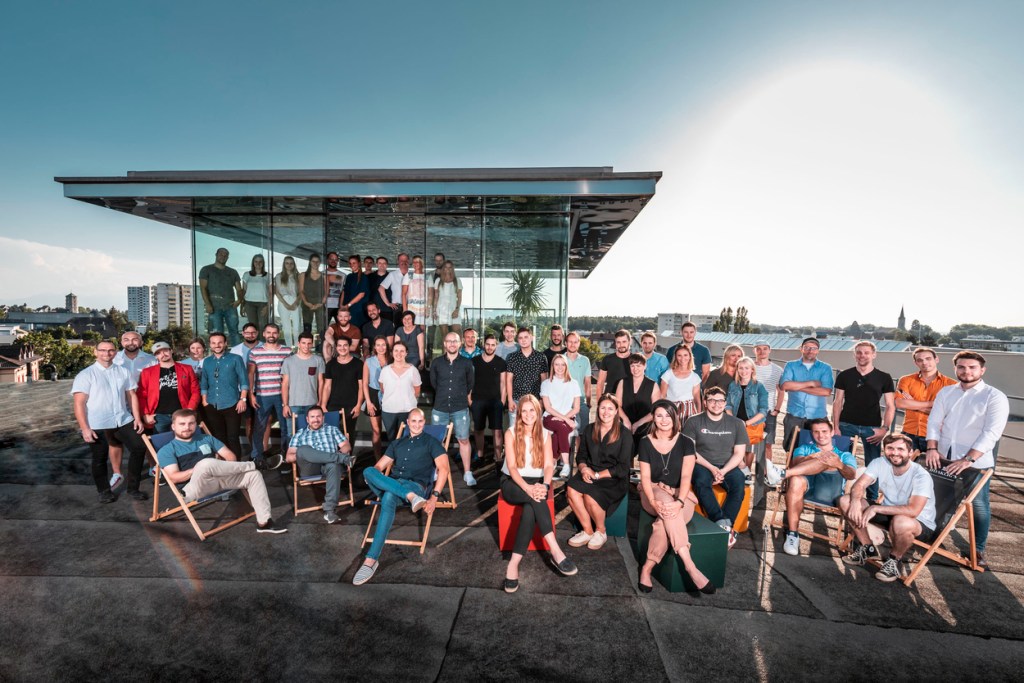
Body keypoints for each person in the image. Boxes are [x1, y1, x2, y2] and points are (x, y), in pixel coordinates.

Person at [925, 350, 1009, 567]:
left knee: (978, 506)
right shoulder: (946, 392)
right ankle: (933, 537)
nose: (967, 371)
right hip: (943, 457)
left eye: (972, 367)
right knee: (940, 500)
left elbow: (991, 432)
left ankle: (977, 550)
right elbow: (934, 422)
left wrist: (968, 459)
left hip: (975, 464)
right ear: (955, 368)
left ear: (982, 370)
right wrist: (932, 449)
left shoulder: (994, 396)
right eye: (961, 367)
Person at [354, 409, 449, 585]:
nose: (417, 424)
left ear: (424, 422)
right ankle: (409, 497)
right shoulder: (396, 444)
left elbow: (444, 469)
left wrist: (434, 497)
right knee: (368, 471)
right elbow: (378, 467)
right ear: (407, 422)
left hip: (415, 485)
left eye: (421, 421)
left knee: (388, 497)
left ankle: (371, 559)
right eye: (414, 421)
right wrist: (379, 477)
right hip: (400, 486)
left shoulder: (432, 442)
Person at [156, 409, 286, 534]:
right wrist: (198, 470)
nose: (187, 427)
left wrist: (219, 467)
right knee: (205, 463)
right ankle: (256, 464)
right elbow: (174, 477)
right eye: (182, 424)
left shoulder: (206, 438)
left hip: (220, 479)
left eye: (191, 423)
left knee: (254, 475)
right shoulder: (167, 450)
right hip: (194, 488)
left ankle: (264, 523)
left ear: (196, 424)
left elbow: (230, 457)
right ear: (173, 426)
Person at [501, 395, 578, 593]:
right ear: (519, 413)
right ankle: (556, 550)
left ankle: (513, 564)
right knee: (534, 499)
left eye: (532, 411)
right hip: (512, 482)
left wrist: (544, 484)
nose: (528, 415)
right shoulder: (510, 433)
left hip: (536, 482)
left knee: (530, 508)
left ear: (537, 413)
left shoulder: (545, 434)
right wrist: (529, 489)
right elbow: (511, 467)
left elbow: (548, 465)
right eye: (524, 411)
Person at [637, 400, 715, 593]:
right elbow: (645, 478)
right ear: (653, 418)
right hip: (652, 491)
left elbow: (687, 476)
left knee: (663, 523)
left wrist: (680, 500)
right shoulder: (645, 442)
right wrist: (655, 502)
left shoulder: (687, 442)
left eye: (667, 415)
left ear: (675, 417)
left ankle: (647, 568)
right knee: (665, 505)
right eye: (659, 415)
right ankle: (691, 566)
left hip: (681, 493)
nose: (664, 420)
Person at [840, 434, 936, 582]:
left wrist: (875, 509)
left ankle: (893, 561)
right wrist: (854, 503)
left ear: (910, 453)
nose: (894, 453)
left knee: (901, 521)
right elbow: (859, 485)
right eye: (890, 448)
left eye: (900, 449)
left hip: (918, 522)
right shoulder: (880, 462)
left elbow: (913, 510)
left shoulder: (921, 476)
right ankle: (867, 547)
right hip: (889, 512)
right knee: (845, 501)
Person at [763, 418, 856, 556]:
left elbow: (851, 475)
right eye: (816, 432)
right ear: (812, 434)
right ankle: (793, 535)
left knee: (829, 458)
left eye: (824, 431)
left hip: (829, 492)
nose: (820, 435)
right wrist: (813, 456)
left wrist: (839, 464)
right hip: (804, 488)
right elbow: (795, 463)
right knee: (795, 480)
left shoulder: (844, 454)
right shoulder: (804, 449)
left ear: (831, 433)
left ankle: (781, 474)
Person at [71, 341, 148, 503]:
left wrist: (137, 418)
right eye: (103, 350)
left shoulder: (123, 371)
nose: (107, 353)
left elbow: (132, 395)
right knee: (99, 458)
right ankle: (104, 491)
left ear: (115, 353)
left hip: (123, 419)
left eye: (111, 350)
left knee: (139, 448)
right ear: (95, 352)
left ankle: (133, 488)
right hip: (97, 423)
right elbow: (79, 403)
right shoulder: (86, 375)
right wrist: (85, 428)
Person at [683, 386, 750, 547]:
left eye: (720, 401)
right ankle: (719, 521)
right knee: (701, 482)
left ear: (725, 403)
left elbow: (739, 453)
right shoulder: (693, 421)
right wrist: (713, 469)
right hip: (702, 463)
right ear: (705, 402)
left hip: (728, 464)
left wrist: (724, 470)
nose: (716, 404)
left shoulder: (737, 423)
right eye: (712, 400)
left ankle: (726, 525)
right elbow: (691, 451)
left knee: (739, 484)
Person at [566, 394, 632, 551]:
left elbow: (623, 468)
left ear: (616, 411)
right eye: (603, 408)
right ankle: (588, 531)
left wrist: (597, 475)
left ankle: (601, 531)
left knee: (591, 494)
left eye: (610, 408)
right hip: (590, 472)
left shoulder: (625, 434)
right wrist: (583, 469)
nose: (606, 412)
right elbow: (581, 456)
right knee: (571, 489)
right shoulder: (589, 429)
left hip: (613, 477)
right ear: (598, 409)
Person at [833, 341, 895, 502]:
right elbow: (837, 402)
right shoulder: (845, 375)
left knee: (873, 464)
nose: (862, 355)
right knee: (841, 460)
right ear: (855, 355)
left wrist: (885, 428)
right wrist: (836, 427)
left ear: (874, 355)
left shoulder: (884, 377)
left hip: (872, 427)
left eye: (866, 352)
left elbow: (890, 405)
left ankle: (872, 498)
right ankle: (837, 494)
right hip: (846, 424)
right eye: (859, 352)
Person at [286, 405, 354, 524]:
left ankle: (329, 511)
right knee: (302, 450)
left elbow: (346, 445)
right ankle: (342, 458)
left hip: (330, 466)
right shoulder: (300, 434)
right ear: (307, 419)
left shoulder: (332, 429)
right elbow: (288, 457)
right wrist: (304, 455)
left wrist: (338, 452)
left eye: (318, 416)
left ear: (323, 418)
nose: (315, 419)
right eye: (312, 417)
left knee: (334, 466)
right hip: (310, 468)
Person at [109, 331, 156, 489]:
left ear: (141, 342)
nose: (131, 342)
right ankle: (117, 473)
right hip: (118, 405)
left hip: (143, 404)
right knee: (115, 440)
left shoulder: (151, 360)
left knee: (147, 438)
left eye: (135, 339)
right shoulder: (113, 359)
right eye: (127, 339)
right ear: (121, 342)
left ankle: (153, 467)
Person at [431, 332, 476, 486]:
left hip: (460, 408)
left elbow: (470, 384)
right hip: (440, 407)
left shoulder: (466, 363)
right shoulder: (436, 363)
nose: (452, 344)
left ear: (460, 344)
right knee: (437, 442)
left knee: (463, 439)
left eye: (455, 341)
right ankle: (436, 471)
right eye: (449, 341)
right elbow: (434, 384)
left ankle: (467, 473)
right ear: (444, 344)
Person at [895, 347, 957, 453]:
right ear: (916, 363)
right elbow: (900, 403)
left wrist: (912, 403)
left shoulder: (952, 385)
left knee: (933, 469)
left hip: (937, 436)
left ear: (936, 359)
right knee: (906, 468)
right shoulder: (906, 380)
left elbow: (948, 414)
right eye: (920, 360)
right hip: (909, 433)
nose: (924, 362)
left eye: (928, 358)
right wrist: (935, 404)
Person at [200, 331, 249, 460]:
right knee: (218, 438)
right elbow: (204, 382)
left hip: (232, 404)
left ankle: (236, 466)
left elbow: (244, 381)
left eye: (220, 342)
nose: (217, 345)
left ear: (225, 343)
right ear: (210, 345)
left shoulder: (235, 359)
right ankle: (223, 466)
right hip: (212, 404)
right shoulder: (207, 362)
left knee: (233, 437)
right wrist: (204, 400)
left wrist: (242, 399)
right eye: (214, 343)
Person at [780, 337, 834, 452]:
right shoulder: (791, 365)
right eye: (807, 348)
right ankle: (790, 470)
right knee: (791, 450)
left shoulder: (825, 368)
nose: (810, 350)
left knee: (816, 450)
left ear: (818, 351)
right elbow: (785, 386)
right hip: (794, 416)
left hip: (817, 417)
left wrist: (798, 387)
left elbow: (826, 391)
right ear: (801, 349)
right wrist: (812, 383)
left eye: (814, 348)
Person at [247, 323, 292, 462]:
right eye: (268, 332)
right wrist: (251, 394)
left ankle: (286, 457)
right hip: (262, 395)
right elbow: (250, 374)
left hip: (282, 396)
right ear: (264, 334)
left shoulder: (287, 351)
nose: (271, 335)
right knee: (259, 427)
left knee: (286, 427)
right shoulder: (255, 352)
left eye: (274, 333)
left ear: (278, 334)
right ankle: (257, 456)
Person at [137, 341, 200, 433]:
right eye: (158, 353)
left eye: (165, 350)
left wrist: (190, 409)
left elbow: (195, 391)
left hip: (182, 414)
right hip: (159, 417)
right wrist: (145, 414)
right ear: (156, 356)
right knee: (162, 444)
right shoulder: (147, 372)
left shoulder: (187, 369)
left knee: (186, 443)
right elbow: (142, 395)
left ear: (171, 351)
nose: (163, 354)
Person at [541, 353, 582, 479]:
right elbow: (547, 407)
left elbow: (576, 408)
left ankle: (552, 460)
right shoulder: (546, 383)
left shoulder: (574, 383)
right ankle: (566, 464)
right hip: (550, 418)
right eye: (557, 364)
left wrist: (564, 418)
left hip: (568, 417)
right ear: (553, 366)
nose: (559, 367)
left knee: (560, 431)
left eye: (562, 364)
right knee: (563, 427)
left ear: (566, 366)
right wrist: (564, 419)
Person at [280, 332, 325, 446]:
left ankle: (309, 459)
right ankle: (291, 459)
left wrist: (320, 401)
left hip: (312, 403)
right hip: (293, 404)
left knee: (312, 433)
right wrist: (285, 404)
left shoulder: (318, 360)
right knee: (292, 434)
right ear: (298, 344)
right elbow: (284, 384)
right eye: (304, 343)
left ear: (312, 344)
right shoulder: (288, 361)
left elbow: (321, 382)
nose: (306, 346)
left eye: (309, 343)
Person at [725, 356, 769, 474]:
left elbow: (763, 410)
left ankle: (747, 474)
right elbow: (728, 405)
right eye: (741, 368)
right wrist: (733, 420)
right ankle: (742, 473)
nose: (743, 371)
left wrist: (746, 423)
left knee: (749, 452)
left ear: (752, 370)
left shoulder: (759, 387)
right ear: (737, 370)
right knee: (735, 452)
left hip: (753, 425)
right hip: (735, 424)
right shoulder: (732, 385)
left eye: (747, 368)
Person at [752, 339, 785, 485]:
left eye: (765, 348)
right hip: (751, 412)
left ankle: (768, 474)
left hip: (769, 412)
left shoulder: (777, 369)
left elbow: (781, 391)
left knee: (767, 444)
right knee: (748, 444)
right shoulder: (750, 366)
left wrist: (777, 409)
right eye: (758, 349)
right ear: (755, 351)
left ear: (769, 350)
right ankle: (746, 473)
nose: (762, 351)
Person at [471, 334, 507, 462]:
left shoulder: (501, 362)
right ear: (484, 344)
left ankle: (498, 458)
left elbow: (504, 383)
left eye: (493, 345)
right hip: (478, 401)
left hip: (495, 402)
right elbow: (469, 382)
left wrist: (502, 401)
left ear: (496, 346)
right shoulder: (474, 361)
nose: (490, 347)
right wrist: (470, 400)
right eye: (488, 344)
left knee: (497, 431)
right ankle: (480, 456)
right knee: (478, 430)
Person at [378, 340, 422, 441]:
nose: (399, 354)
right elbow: (382, 388)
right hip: (389, 411)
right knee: (392, 439)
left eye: (402, 351)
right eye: (396, 350)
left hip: (407, 410)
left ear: (406, 353)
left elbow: (417, 391)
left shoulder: (413, 370)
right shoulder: (385, 370)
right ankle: (393, 457)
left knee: (406, 439)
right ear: (392, 353)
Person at [199, 247, 243, 345]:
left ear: (228, 257)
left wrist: (239, 300)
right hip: (214, 307)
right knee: (217, 334)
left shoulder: (233, 272)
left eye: (225, 255)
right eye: (221, 254)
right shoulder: (206, 270)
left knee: (234, 332)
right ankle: (220, 356)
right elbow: (203, 288)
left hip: (230, 306)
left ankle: (238, 355)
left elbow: (239, 289)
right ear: (216, 255)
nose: (223, 257)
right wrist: (208, 305)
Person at [616, 353, 661, 451]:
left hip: (645, 424)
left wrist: (638, 424)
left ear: (645, 366)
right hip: (625, 423)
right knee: (625, 451)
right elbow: (617, 405)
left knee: (645, 451)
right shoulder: (622, 382)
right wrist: (626, 420)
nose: (635, 369)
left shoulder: (653, 385)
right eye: (632, 366)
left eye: (638, 365)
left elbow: (656, 411)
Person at [321, 336, 364, 437]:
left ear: (349, 347)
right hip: (332, 405)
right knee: (331, 434)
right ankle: (334, 453)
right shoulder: (330, 364)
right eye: (339, 345)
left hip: (351, 405)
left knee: (349, 433)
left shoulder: (358, 364)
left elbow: (361, 387)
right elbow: (327, 386)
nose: (342, 348)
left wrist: (358, 405)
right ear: (336, 347)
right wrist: (323, 405)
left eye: (345, 345)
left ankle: (347, 453)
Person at [504, 327, 549, 422]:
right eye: (520, 338)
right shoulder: (512, 357)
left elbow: (544, 380)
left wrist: (542, 400)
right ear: (517, 340)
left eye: (526, 337)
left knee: (535, 433)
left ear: (531, 338)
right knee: (514, 433)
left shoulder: (541, 357)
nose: (523, 340)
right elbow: (508, 380)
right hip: (516, 401)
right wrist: (510, 400)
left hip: (535, 401)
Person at [363, 336, 391, 458]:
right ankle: (377, 459)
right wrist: (368, 402)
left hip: (390, 395)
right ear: (374, 347)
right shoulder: (368, 361)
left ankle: (393, 459)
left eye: (383, 344)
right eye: (378, 345)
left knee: (392, 431)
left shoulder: (392, 360)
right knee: (376, 431)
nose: (381, 348)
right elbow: (364, 383)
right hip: (373, 395)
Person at [660, 345, 702, 423]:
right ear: (675, 357)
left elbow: (697, 400)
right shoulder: (668, 374)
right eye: (679, 355)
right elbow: (662, 396)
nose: (682, 358)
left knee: (687, 433)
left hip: (689, 411)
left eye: (685, 355)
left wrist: (698, 416)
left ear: (690, 357)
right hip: (672, 409)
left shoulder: (695, 377)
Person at [430, 260, 462, 350]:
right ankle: (446, 358)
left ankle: (458, 358)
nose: (447, 269)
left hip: (453, 309)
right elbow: (436, 297)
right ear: (443, 269)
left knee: (458, 334)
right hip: (442, 310)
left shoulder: (457, 280)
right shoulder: (438, 281)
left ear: (452, 269)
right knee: (445, 336)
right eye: (446, 267)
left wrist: (457, 309)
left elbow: (459, 297)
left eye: (450, 267)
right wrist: (434, 311)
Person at [564, 332, 593, 434]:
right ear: (566, 343)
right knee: (566, 431)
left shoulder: (585, 360)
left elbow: (588, 383)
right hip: (564, 400)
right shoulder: (560, 359)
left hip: (580, 400)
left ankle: (581, 450)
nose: (573, 344)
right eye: (570, 342)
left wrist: (588, 402)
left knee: (584, 432)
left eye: (575, 342)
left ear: (579, 343)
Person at [274, 256, 301, 346]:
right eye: (287, 263)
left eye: (291, 263)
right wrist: (285, 304)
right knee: (286, 327)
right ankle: (288, 348)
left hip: (295, 301)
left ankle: (297, 347)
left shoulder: (298, 276)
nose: (289, 265)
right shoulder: (279, 276)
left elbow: (301, 292)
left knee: (297, 326)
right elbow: (277, 292)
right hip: (283, 301)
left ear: (294, 265)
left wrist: (295, 303)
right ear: (284, 264)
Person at [595, 329, 631, 399]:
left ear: (629, 342)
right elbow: (600, 383)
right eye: (618, 342)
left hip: (628, 399)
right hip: (610, 398)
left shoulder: (635, 360)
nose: (621, 345)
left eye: (624, 342)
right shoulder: (607, 359)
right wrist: (599, 403)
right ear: (615, 343)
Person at [240, 254, 271, 332]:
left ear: (263, 263)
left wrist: (268, 306)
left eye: (260, 261)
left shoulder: (268, 276)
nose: (258, 263)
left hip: (263, 304)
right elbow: (244, 291)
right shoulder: (247, 275)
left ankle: (263, 344)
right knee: (253, 327)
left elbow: (271, 293)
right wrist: (242, 305)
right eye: (256, 261)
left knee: (263, 326)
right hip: (249, 304)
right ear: (253, 263)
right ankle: (255, 344)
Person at [378, 252, 410, 326]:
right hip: (398, 307)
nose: (403, 262)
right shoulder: (392, 274)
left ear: (409, 261)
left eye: (405, 260)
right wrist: (388, 303)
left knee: (411, 329)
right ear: (398, 262)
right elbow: (381, 288)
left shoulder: (412, 274)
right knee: (398, 329)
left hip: (411, 306)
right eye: (401, 260)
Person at [298, 253, 326, 336]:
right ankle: (306, 346)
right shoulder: (303, 275)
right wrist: (306, 303)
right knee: (307, 327)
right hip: (307, 303)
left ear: (320, 262)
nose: (315, 263)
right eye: (313, 261)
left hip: (319, 304)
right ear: (310, 262)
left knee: (321, 328)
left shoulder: (324, 276)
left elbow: (326, 292)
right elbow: (301, 290)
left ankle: (322, 346)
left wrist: (321, 303)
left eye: (317, 261)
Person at [342, 254, 370, 328]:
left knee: (357, 331)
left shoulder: (363, 277)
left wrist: (348, 305)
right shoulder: (349, 277)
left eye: (354, 263)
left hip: (358, 310)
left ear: (359, 263)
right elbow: (344, 292)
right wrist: (341, 305)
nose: (352, 265)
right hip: (347, 309)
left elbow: (361, 294)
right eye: (350, 263)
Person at [402, 255, 429, 330]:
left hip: (424, 308)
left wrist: (429, 308)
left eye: (417, 262)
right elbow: (403, 294)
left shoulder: (427, 276)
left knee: (422, 330)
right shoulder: (408, 275)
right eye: (414, 262)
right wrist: (405, 310)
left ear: (422, 263)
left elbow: (430, 294)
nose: (415, 263)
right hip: (412, 308)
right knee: (412, 329)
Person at [324, 252, 344, 324]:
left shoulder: (343, 275)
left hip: (338, 306)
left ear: (338, 261)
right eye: (331, 259)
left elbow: (344, 292)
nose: (333, 261)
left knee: (340, 330)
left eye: (335, 259)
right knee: (323, 329)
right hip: (325, 306)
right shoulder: (322, 274)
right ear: (327, 260)